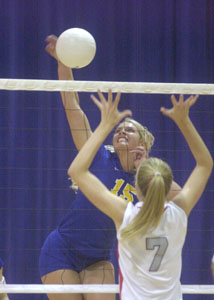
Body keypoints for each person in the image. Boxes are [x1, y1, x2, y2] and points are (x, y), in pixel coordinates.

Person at [39, 35, 181, 300]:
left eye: (130, 129)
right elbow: (72, 107)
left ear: (144, 144)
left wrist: (144, 169)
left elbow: (179, 198)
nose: (122, 131)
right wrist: (64, 63)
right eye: (119, 128)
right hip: (61, 249)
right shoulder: (97, 156)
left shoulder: (148, 176)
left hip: (98, 258)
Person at [68, 91, 213, 299]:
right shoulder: (179, 214)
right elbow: (205, 164)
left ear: (136, 185)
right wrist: (184, 121)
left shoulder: (125, 216)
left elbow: (77, 171)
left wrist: (105, 124)